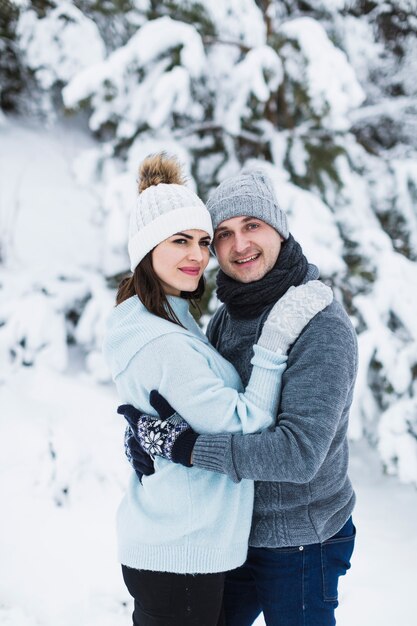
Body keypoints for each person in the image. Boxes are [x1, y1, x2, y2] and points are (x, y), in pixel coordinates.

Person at [102, 153, 332, 626]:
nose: (201, 254)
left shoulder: (173, 316)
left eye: (203, 241)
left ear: (280, 231)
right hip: (186, 548)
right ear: (147, 249)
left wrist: (177, 443)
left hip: (290, 537)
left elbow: (300, 453)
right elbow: (238, 417)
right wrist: (165, 439)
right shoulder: (174, 330)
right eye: (186, 240)